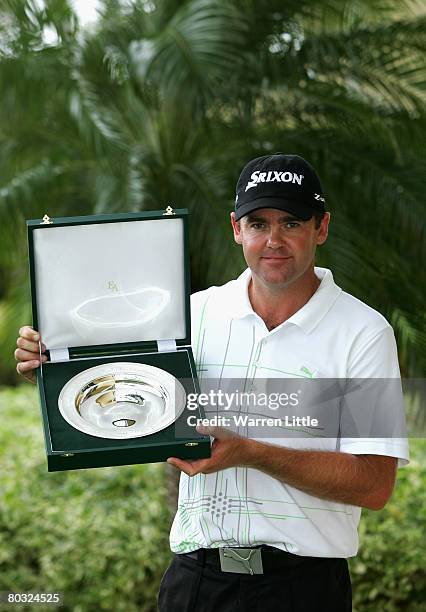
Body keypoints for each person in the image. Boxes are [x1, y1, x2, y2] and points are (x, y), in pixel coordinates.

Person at [15, 154, 409, 612]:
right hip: (195, 582)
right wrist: (50, 363)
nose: (274, 240)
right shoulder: (193, 315)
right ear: (236, 229)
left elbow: (374, 485)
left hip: (303, 590)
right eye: (258, 223)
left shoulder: (365, 331)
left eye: (292, 223)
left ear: (321, 228)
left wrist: (252, 452)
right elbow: (117, 382)